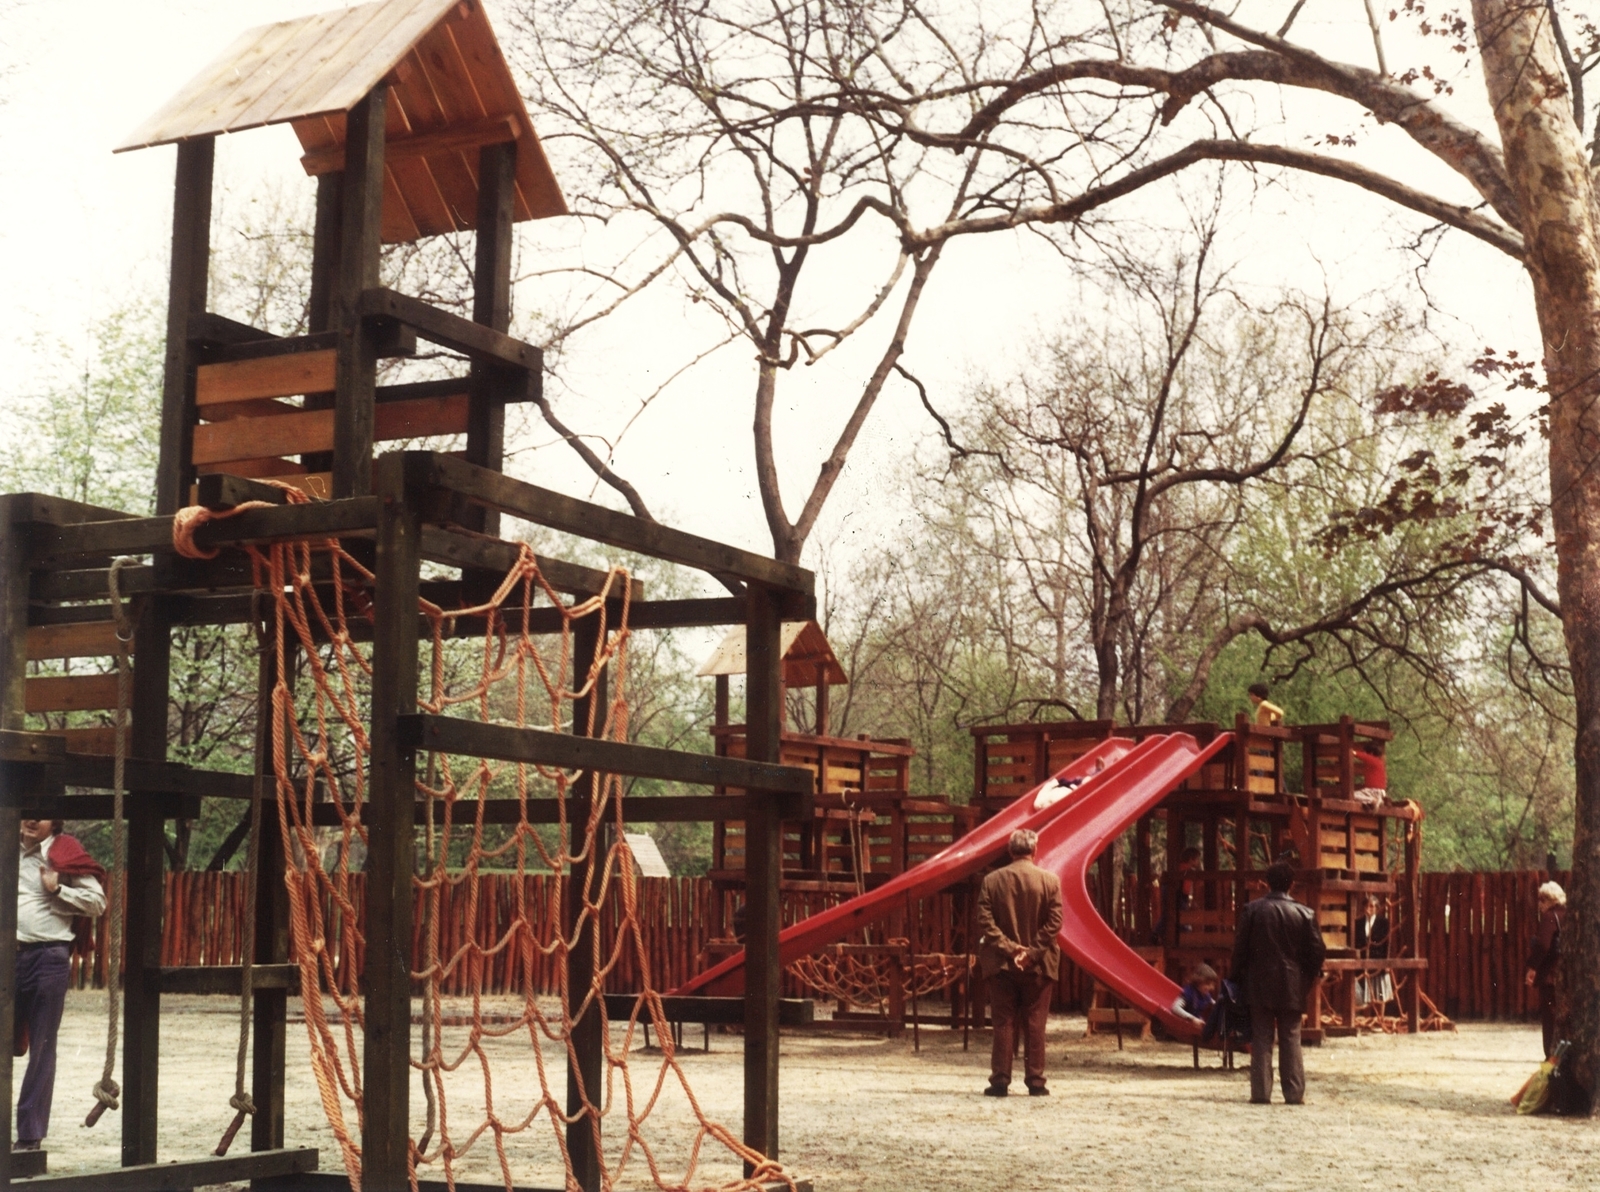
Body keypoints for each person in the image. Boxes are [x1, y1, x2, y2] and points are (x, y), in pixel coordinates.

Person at [15, 818, 106, 1150]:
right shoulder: (8, 848)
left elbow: (98, 902)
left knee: (41, 1047)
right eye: (26, 811)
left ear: (53, 823)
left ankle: (29, 1137)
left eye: (38, 815)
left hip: (48, 956)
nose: (28, 819)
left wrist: (58, 889)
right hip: (9, 955)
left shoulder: (63, 851)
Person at [1230, 861, 1325, 1105]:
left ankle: (1260, 1093)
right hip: (1293, 984)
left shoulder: (1252, 910)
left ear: (1266, 882)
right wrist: (1306, 979)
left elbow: (1239, 950)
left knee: (1261, 1037)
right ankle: (1294, 1094)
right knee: (1291, 1037)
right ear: (1292, 884)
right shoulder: (1306, 913)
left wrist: (1237, 978)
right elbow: (1317, 952)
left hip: (1259, 983)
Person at [976, 828, 1062, 1097]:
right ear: (1034, 851)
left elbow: (985, 922)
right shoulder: (1050, 881)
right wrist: (1032, 953)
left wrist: (1012, 950)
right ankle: (1036, 1081)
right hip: (1039, 966)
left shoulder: (991, 881)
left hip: (1001, 965)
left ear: (1011, 851)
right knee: (1036, 1023)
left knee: (1003, 1022)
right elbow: (1055, 922)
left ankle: (1000, 1080)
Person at [1525, 880, 1566, 1059]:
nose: (1539, 905)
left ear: (1549, 900)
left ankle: (1550, 1059)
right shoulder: (1570, 914)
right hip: (1568, 976)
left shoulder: (1550, 917)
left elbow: (1542, 945)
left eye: (1542, 900)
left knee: (1550, 1021)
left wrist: (1532, 967)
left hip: (1551, 976)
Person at [1354, 893, 1392, 1010]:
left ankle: (1381, 1017)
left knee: (1381, 993)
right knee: (1366, 993)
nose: (1369, 909)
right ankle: (1367, 1017)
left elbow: (1387, 943)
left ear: (1376, 908)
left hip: (1378, 960)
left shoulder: (1383, 922)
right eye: (1367, 906)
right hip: (1364, 962)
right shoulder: (1358, 923)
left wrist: (1387, 962)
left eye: (1372, 906)